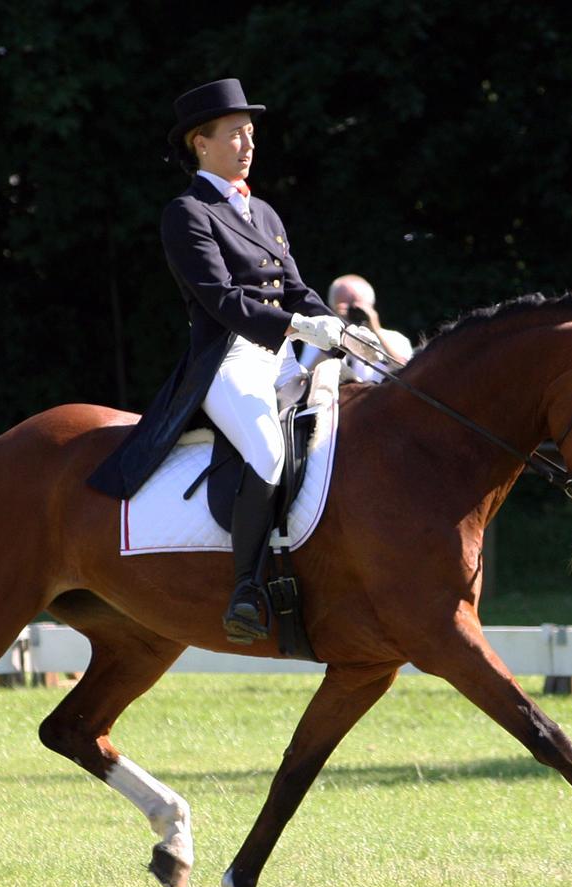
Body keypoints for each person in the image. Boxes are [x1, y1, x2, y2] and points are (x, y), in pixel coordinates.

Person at [88, 78, 377, 645]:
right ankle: (246, 588)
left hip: (284, 352)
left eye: (250, 133)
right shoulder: (187, 213)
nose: (248, 144)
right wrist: (298, 326)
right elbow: (220, 299)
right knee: (268, 450)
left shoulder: (264, 213)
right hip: (227, 358)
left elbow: (295, 290)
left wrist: (333, 326)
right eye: (235, 135)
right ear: (201, 143)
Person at [300, 273, 414, 382]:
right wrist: (337, 337)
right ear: (332, 309)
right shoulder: (317, 339)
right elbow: (306, 378)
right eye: (345, 307)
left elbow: (406, 372)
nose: (351, 313)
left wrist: (376, 330)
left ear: (370, 307)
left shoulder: (396, 339)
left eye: (357, 307)